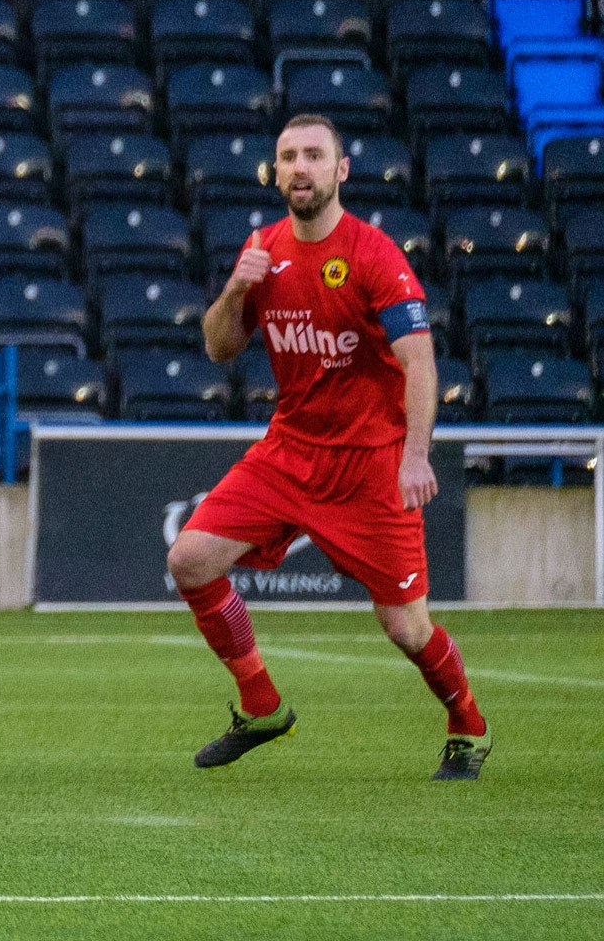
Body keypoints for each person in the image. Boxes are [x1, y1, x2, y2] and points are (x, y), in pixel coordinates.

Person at [171, 113, 491, 779]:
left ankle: (467, 723)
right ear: (275, 171)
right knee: (190, 559)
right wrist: (234, 289)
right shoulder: (261, 250)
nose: (299, 168)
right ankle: (261, 706)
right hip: (288, 452)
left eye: (314, 156)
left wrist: (412, 455)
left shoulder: (373, 255)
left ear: (340, 170)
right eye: (287, 157)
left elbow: (420, 362)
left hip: (370, 464)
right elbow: (217, 346)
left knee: (405, 629)